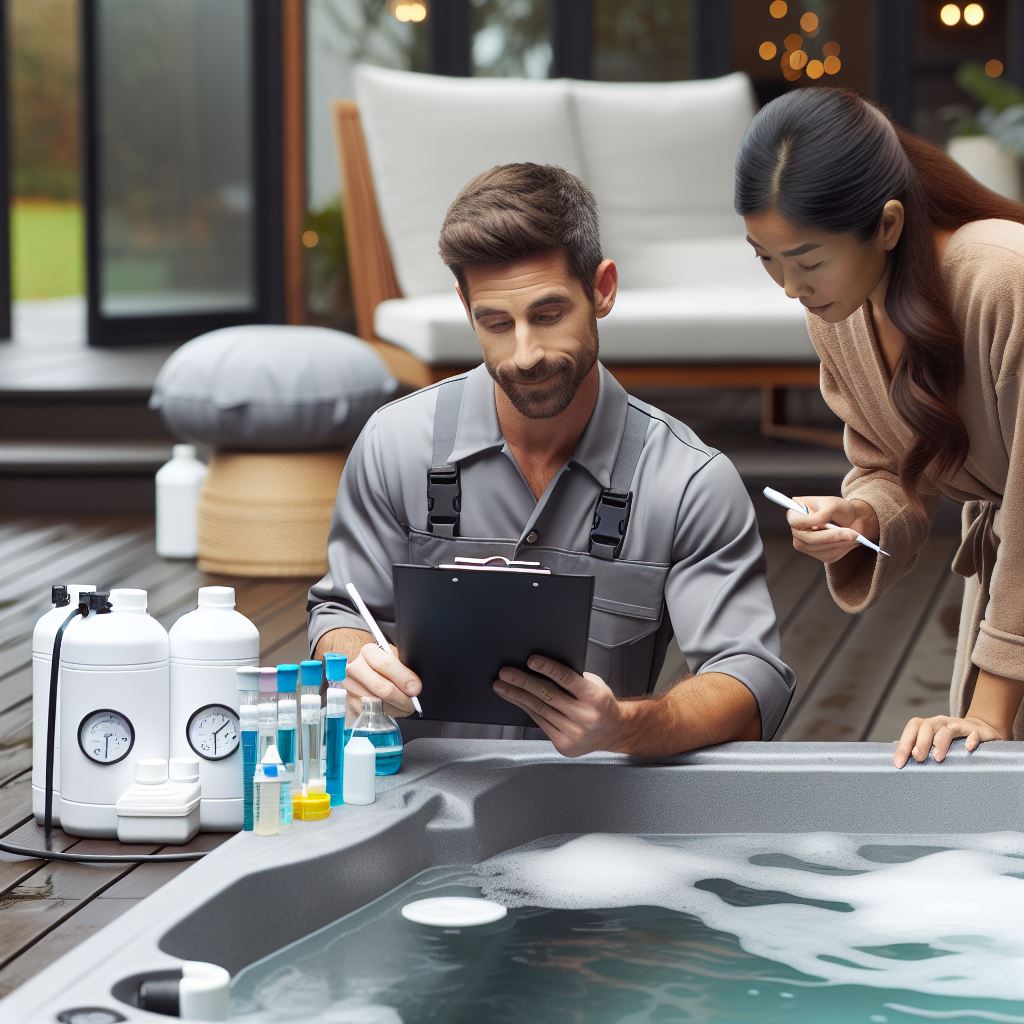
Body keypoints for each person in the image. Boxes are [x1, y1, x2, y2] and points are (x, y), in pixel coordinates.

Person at [307, 162, 794, 757]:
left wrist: (627, 725)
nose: (525, 353)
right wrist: (354, 661)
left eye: (547, 314)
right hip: (415, 805)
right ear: (465, 308)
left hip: (594, 820)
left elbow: (749, 677)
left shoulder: (691, 481)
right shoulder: (394, 443)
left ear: (602, 290)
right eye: (495, 323)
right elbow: (338, 612)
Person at [734, 87, 1024, 768]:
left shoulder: (1004, 279)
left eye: (806, 261)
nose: (788, 287)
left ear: (888, 225)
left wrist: (989, 710)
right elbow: (891, 464)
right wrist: (861, 513)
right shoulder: (840, 307)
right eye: (765, 258)